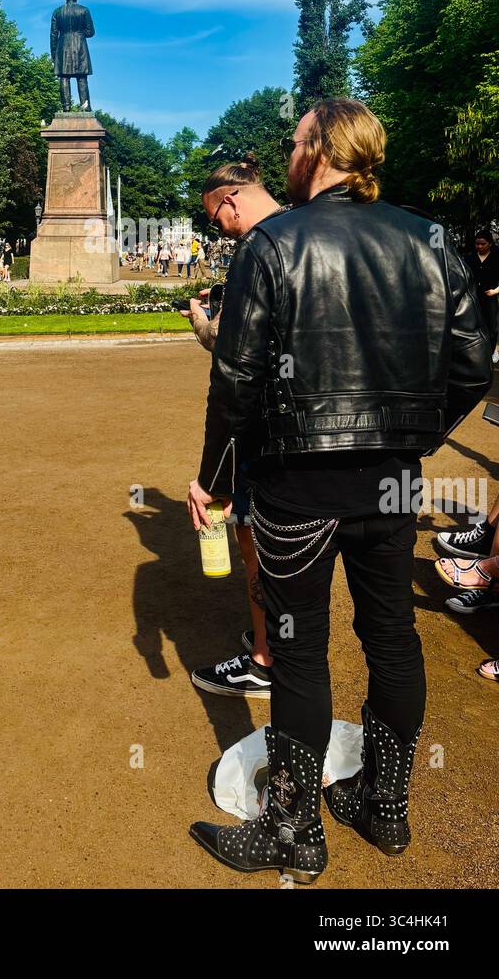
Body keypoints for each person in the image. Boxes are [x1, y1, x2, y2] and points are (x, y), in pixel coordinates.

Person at [187, 97, 492, 884]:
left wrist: (213, 481)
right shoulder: (426, 237)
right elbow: (473, 361)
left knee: (296, 651)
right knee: (391, 637)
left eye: (293, 143)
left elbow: (238, 377)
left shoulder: (276, 241)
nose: (286, 156)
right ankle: (383, 806)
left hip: (297, 483)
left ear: (319, 147)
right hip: (391, 480)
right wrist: (412, 434)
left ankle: (295, 830)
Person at [184, 155, 283, 697]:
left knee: (252, 541)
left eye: (214, 216)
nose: (215, 227)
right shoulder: (303, 235)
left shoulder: (257, 250)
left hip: (260, 426)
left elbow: (233, 360)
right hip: (315, 430)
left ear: (229, 199)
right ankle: (277, 644)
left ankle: (267, 658)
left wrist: (212, 476)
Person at [466, 227, 499, 363]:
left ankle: (493, 351)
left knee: (492, 326)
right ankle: (477, 353)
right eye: (477, 243)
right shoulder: (470, 257)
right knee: (473, 325)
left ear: (490, 244)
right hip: (473, 296)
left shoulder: (497, 256)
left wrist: (496, 291)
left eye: (482, 244)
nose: (479, 246)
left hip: (490, 296)